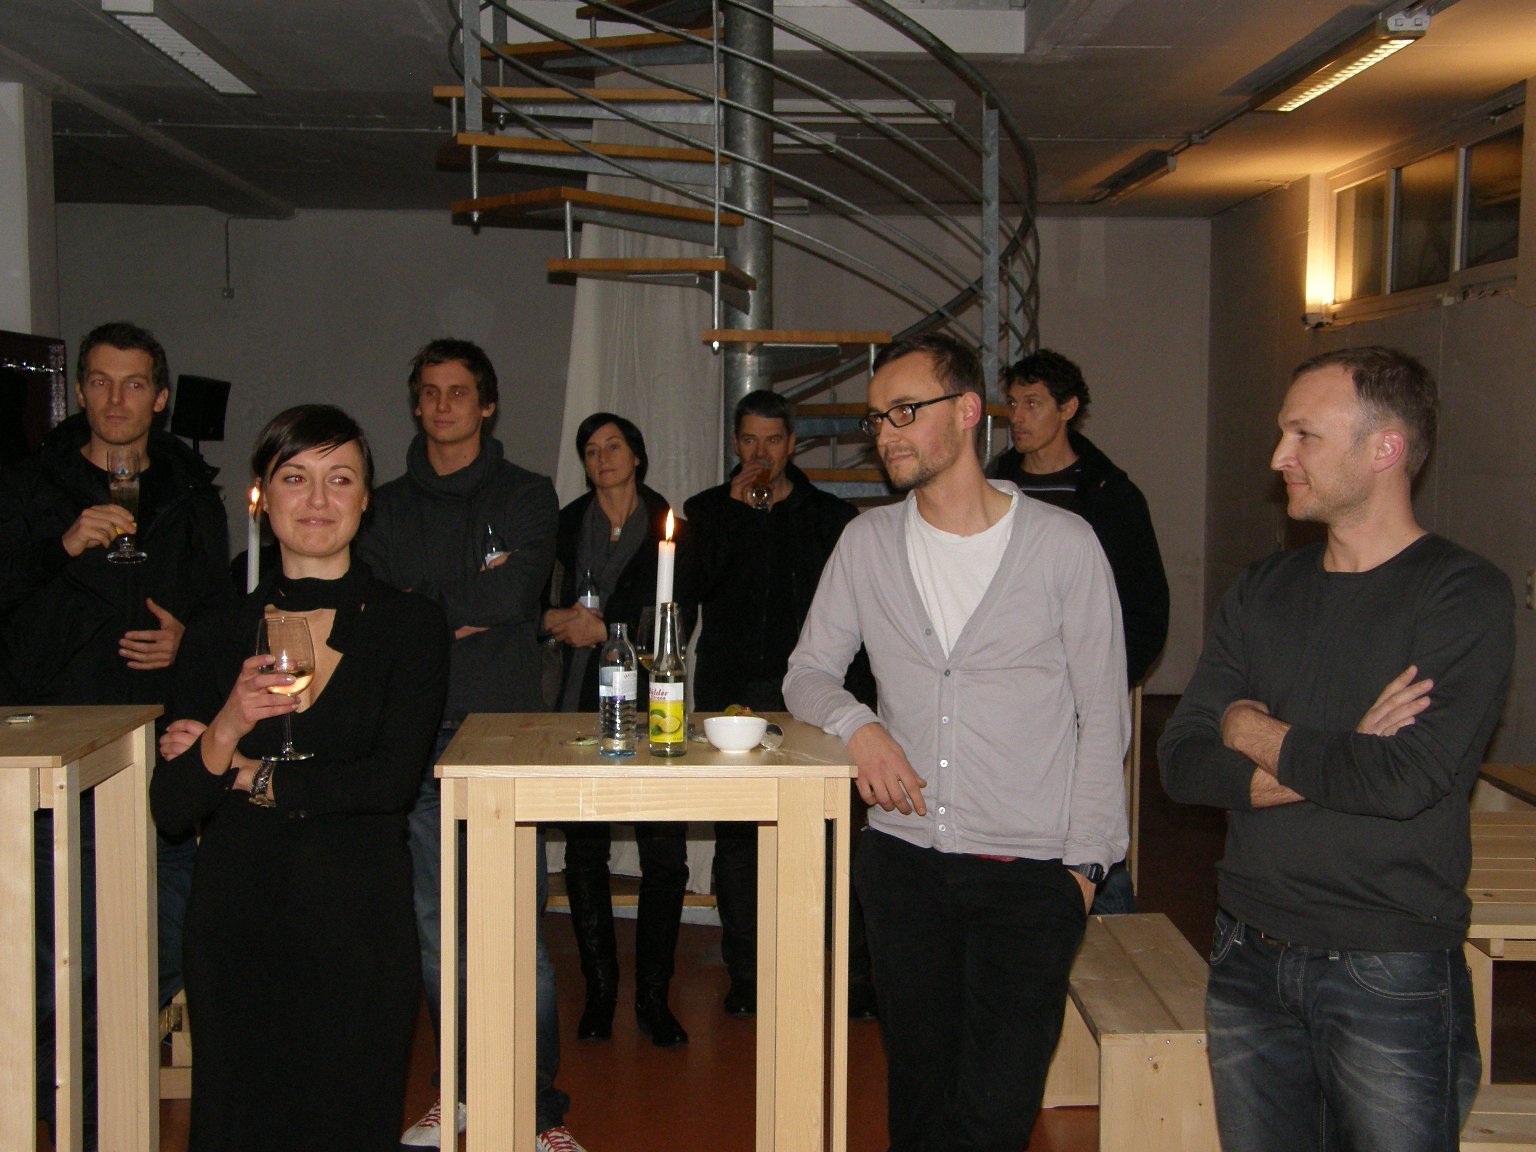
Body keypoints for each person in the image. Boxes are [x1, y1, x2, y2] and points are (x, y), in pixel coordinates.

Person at [1159, 346, 1514, 1152]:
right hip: (1246, 949)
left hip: (1387, 964)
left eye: (1304, 435)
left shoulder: (1462, 594)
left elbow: (1405, 779)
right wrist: (1346, 748)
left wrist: (1251, 730)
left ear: (1384, 448)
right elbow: (1182, 759)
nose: (1277, 457)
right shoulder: (1262, 589)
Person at [783, 332, 1129, 1152]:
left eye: (905, 411)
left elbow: (1102, 714)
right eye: (877, 418)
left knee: (996, 1112)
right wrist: (860, 728)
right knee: (920, 1101)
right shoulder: (867, 544)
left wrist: (1084, 871)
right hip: (904, 866)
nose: (886, 433)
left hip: (1030, 875)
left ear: (969, 411)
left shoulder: (1063, 544)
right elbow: (807, 673)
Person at [150, 405, 450, 1152]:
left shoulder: (409, 625)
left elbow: (388, 785)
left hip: (357, 924)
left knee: (348, 1123)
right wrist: (227, 722)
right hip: (237, 924)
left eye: (339, 479)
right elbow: (172, 807)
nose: (317, 499)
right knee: (236, 1127)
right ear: (262, 497)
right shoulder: (216, 630)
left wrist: (242, 772)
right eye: (295, 478)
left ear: (365, 498)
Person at [352, 339, 586, 1152]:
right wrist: (450, 610)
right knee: (435, 928)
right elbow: (371, 607)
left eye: (459, 392)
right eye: (430, 392)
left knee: (516, 934)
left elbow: (513, 594)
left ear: (487, 405)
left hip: (503, 731)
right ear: (415, 404)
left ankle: (535, 1109)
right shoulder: (381, 507)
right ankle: (456, 1092)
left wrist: (421, 607)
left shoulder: (526, 494)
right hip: (413, 732)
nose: (443, 405)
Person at [0, 321, 229, 1149]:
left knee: (158, 946)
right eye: (100, 381)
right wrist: (64, 550)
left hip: (158, 762)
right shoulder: (31, 489)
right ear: (80, 391)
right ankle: (77, 1117)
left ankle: (96, 1096)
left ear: (159, 398)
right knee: (44, 967)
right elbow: (10, 629)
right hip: (56, 758)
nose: (116, 398)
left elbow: (223, 624)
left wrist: (187, 647)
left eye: (134, 384)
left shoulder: (191, 494)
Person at [678, 388, 876, 1019]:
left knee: (838, 835)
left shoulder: (830, 517)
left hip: (816, 695)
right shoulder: (707, 511)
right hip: (732, 696)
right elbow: (687, 594)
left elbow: (855, 612)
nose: (760, 453)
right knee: (740, 841)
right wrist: (737, 517)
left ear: (792, 444)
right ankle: (748, 974)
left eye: (772, 440)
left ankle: (854, 974)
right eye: (749, 440)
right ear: (736, 444)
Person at [986, 348, 1168, 914]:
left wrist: (1101, 682)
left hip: (1081, 692)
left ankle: (1110, 925)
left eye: (1033, 403)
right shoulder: (990, 488)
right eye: (1012, 403)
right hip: (1005, 692)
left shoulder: (1111, 495)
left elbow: (1145, 607)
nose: (1017, 416)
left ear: (1068, 409)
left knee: (1089, 811)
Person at [543, 412, 689, 1047]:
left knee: (665, 854)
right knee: (584, 850)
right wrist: (561, 622)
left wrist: (606, 630)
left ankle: (653, 997)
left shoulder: (669, 525)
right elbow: (535, 606)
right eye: (590, 450)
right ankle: (600, 991)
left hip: (655, 702)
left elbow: (678, 618)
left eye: (613, 446)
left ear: (637, 455)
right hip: (580, 700)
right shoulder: (564, 524)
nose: (602, 458)